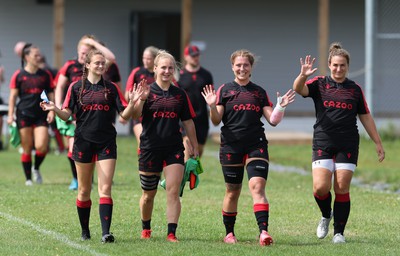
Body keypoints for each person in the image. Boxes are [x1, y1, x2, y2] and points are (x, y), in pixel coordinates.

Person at [40, 49, 142, 243]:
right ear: (87, 65)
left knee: (105, 189)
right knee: (84, 191)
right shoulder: (76, 87)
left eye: (103, 63)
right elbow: (67, 114)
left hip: (106, 142)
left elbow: (125, 116)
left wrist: (133, 103)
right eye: (97, 63)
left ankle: (106, 232)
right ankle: (85, 231)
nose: (101, 66)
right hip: (83, 142)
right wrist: (55, 108)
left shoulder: (111, 88)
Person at [292, 42, 385, 244]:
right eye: (335, 65)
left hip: (348, 143)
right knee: (320, 188)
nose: (338, 69)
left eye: (342, 65)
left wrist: (378, 142)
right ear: (329, 64)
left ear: (347, 66)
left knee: (342, 186)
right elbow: (299, 89)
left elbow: (366, 116)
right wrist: (303, 75)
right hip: (323, 141)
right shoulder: (319, 83)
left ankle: (338, 233)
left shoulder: (355, 89)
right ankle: (326, 215)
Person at [201, 49, 295, 246]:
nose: (242, 68)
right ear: (232, 67)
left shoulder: (258, 92)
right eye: (238, 65)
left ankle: (263, 232)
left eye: (246, 65)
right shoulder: (224, 90)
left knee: (257, 186)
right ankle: (229, 233)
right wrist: (211, 105)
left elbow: (273, 120)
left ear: (251, 67)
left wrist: (281, 107)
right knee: (232, 191)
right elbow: (216, 121)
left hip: (256, 145)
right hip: (231, 146)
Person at [132, 50, 199, 242]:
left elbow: (188, 122)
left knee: (173, 190)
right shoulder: (146, 90)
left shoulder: (180, 94)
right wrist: (142, 98)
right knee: (148, 195)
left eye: (170, 67)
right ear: (155, 69)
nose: (167, 71)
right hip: (149, 148)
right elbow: (135, 116)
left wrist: (193, 145)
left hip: (174, 148)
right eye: (163, 67)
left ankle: (171, 232)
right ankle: (146, 228)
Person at [54, 34, 116, 190]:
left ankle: (90, 177)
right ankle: (77, 178)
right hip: (75, 112)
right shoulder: (70, 66)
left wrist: (94, 43)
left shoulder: (99, 65)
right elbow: (60, 86)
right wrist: (57, 105)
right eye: (80, 52)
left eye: (85, 53)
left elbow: (111, 58)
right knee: (72, 148)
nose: (82, 56)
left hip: (97, 112)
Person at [7, 43, 55, 185]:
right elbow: (13, 97)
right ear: (26, 57)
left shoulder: (45, 74)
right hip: (24, 114)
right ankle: (28, 179)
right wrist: (10, 115)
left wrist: (52, 110)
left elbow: (51, 93)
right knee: (27, 148)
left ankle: (36, 168)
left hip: (41, 114)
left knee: (42, 146)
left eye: (39, 54)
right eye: (35, 55)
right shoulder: (19, 75)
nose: (39, 57)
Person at [178, 45, 214, 160]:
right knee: (187, 147)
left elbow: (211, 94)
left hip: (201, 117)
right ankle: (182, 175)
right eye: (193, 56)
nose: (195, 58)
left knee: (198, 152)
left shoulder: (206, 75)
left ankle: (192, 176)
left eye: (197, 55)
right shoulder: (180, 75)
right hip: (185, 117)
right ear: (186, 57)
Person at [121, 46, 159, 151]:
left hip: (156, 114)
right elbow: (128, 92)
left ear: (155, 59)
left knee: (155, 144)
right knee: (143, 141)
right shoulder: (137, 72)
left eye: (148, 58)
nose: (145, 61)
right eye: (144, 58)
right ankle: (143, 164)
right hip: (139, 112)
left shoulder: (161, 73)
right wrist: (126, 110)